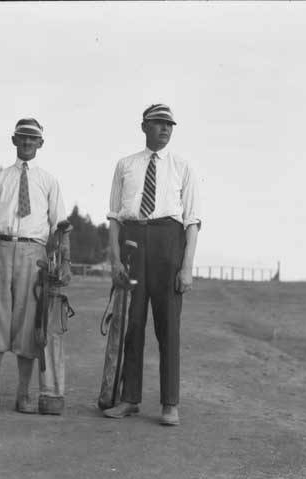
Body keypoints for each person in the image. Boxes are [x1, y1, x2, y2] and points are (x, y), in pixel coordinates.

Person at [102, 104, 201, 426]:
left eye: (169, 125)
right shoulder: (126, 165)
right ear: (144, 126)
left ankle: (170, 403)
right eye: (158, 124)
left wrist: (186, 267)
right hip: (133, 242)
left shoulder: (183, 166)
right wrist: (115, 260)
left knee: (168, 326)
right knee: (131, 324)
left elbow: (192, 222)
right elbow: (115, 217)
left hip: (168, 243)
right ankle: (130, 398)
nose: (165, 129)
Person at [0, 118, 70, 413]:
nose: (27, 143)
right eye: (22, 138)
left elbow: (61, 225)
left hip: (33, 252)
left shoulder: (49, 181)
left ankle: (24, 394)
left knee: (30, 322)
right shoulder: (0, 179)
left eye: (32, 138)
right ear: (14, 141)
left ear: (41, 143)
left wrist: (64, 261)